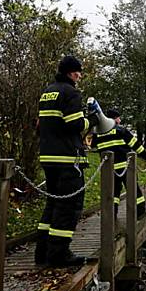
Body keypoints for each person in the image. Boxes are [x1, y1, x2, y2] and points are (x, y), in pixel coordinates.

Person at [34, 55, 99, 267]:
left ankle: (42, 253)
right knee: (69, 206)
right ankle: (59, 255)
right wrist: (92, 119)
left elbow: (41, 125)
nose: (80, 76)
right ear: (72, 72)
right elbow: (75, 124)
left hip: (48, 157)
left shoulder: (47, 92)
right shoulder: (70, 92)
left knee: (52, 204)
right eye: (78, 72)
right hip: (67, 158)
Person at [91, 108, 146, 219]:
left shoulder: (98, 134)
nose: (120, 120)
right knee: (134, 190)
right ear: (114, 119)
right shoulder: (121, 131)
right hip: (126, 166)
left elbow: (93, 146)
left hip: (109, 170)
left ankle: (112, 214)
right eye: (118, 118)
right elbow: (137, 147)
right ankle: (141, 212)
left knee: (114, 192)